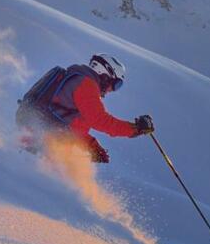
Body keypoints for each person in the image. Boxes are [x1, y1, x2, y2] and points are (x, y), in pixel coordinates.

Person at [16, 53, 154, 163]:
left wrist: (91, 145)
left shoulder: (76, 78)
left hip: (39, 130)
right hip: (42, 137)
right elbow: (101, 121)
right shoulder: (86, 85)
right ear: (106, 74)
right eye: (116, 84)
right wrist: (135, 129)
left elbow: (69, 123)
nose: (112, 90)